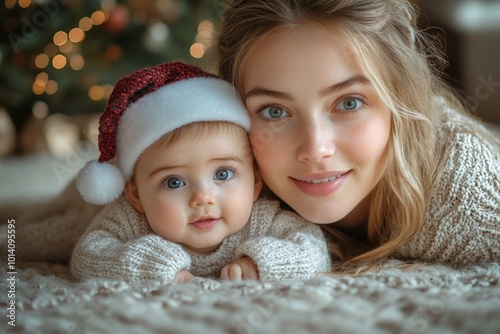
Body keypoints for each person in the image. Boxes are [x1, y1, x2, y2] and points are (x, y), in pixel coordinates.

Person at [213, 0, 500, 265]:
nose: (315, 148)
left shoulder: (470, 206)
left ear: (402, 98)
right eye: (274, 111)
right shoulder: (215, 184)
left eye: (349, 103)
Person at [70, 62, 331, 284]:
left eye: (223, 174)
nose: (203, 197)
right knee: (63, 229)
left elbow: (312, 248)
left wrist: (258, 261)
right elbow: (87, 256)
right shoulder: (129, 220)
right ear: (136, 194)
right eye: (174, 182)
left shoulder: (262, 220)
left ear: (255, 182)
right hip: (79, 204)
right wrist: (155, 265)